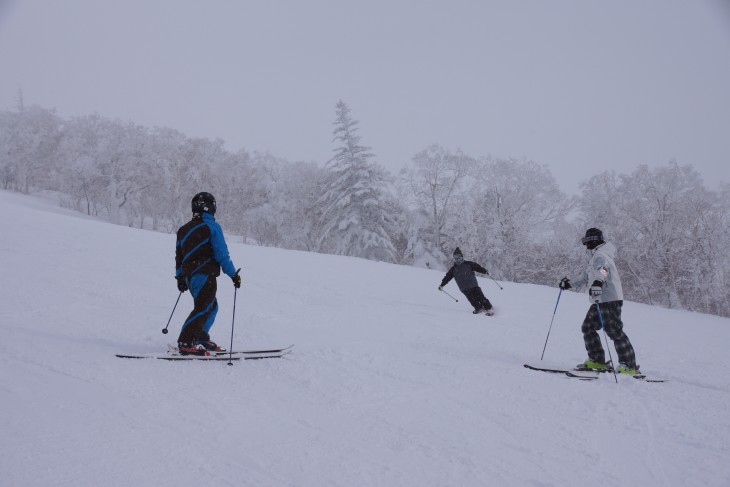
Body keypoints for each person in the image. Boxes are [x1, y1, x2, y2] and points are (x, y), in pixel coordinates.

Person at [559, 227, 639, 374]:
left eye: (586, 241)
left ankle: (629, 365)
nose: (585, 245)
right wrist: (569, 284)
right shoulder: (594, 257)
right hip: (599, 300)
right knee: (588, 327)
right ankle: (597, 360)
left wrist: (598, 282)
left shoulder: (601, 256)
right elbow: (585, 276)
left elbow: (603, 269)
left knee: (614, 330)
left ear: (593, 240)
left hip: (609, 299)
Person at [175, 192, 241, 355]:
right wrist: (233, 274)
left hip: (191, 277)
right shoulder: (212, 227)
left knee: (211, 306)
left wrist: (180, 277)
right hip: (204, 274)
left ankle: (200, 338)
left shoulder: (183, 229)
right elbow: (222, 255)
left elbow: (179, 256)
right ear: (211, 207)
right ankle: (186, 341)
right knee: (204, 307)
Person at [439, 247, 495, 315]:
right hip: (464, 288)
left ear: (461, 256)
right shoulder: (453, 269)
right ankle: (478, 308)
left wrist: (485, 271)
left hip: (473, 285)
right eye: (455, 257)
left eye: (458, 256)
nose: (457, 258)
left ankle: (489, 309)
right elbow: (447, 277)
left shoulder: (468, 264)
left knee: (481, 298)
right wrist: (442, 285)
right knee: (472, 300)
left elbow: (477, 267)